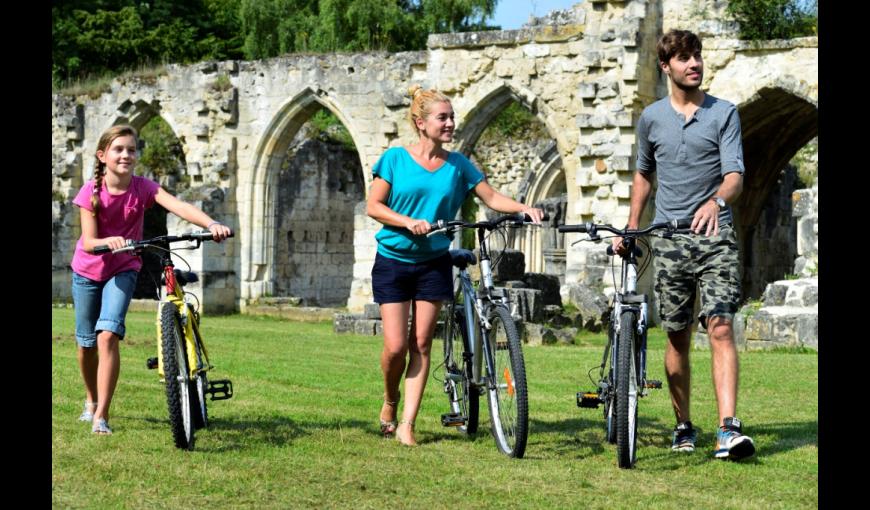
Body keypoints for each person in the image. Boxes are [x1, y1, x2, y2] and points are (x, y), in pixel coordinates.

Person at [367, 85, 544, 446]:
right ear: (421, 123)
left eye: (451, 117)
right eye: (442, 118)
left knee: (421, 343)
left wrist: (524, 207)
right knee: (396, 347)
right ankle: (390, 399)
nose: (450, 123)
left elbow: (491, 196)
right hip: (393, 262)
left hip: (433, 263)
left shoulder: (458, 165)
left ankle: (407, 424)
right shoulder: (395, 160)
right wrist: (406, 221)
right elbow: (374, 206)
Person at [612, 29, 755, 460]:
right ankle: (683, 424)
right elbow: (643, 175)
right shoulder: (651, 119)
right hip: (668, 239)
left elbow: (735, 177)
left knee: (721, 325)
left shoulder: (724, 113)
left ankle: (728, 429)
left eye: (697, 56)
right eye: (684, 58)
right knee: (675, 336)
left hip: (715, 237)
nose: (694, 64)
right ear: (666, 66)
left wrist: (716, 201)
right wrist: (631, 227)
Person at [71, 124, 232, 435]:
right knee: (86, 344)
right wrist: (111, 240)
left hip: (124, 268)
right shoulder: (90, 192)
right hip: (88, 271)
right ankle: (90, 399)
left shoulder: (143, 188)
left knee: (108, 336)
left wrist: (212, 223)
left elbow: (179, 205)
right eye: (118, 149)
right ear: (103, 156)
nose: (126, 155)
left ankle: (100, 415)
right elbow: (89, 243)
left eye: (131, 149)